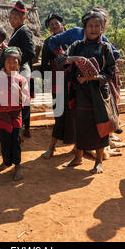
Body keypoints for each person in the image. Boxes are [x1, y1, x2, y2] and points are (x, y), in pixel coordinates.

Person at [56, 11, 116, 174]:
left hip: (99, 94)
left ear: (102, 28)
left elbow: (110, 72)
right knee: (81, 126)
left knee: (100, 127)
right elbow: (60, 60)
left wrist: (94, 77)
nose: (94, 29)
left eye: (97, 26)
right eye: (90, 26)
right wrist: (74, 59)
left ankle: (98, 161)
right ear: (85, 28)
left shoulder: (105, 48)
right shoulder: (77, 46)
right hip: (80, 93)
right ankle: (78, 157)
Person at [0, 47, 31, 181]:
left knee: (15, 141)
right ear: (4, 62)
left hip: (16, 115)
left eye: (15, 62)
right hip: (3, 116)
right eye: (9, 62)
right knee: (4, 141)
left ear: (19, 63)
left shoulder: (22, 80)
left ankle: (18, 166)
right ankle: (6, 162)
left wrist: (19, 93)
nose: (12, 65)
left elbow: (27, 100)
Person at [40, 13, 76, 159]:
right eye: (51, 25)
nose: (54, 26)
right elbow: (44, 66)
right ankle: (51, 148)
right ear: (49, 29)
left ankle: (77, 147)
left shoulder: (72, 39)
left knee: (75, 114)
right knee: (59, 115)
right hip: (58, 83)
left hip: (73, 82)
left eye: (56, 23)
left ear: (62, 24)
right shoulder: (49, 42)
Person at [8, 1, 35, 139]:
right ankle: (23, 128)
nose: (12, 21)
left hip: (22, 69)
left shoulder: (24, 31)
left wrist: (16, 64)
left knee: (23, 99)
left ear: (23, 18)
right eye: (11, 18)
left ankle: (23, 128)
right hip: (17, 68)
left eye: (15, 18)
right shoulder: (17, 30)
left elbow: (30, 52)